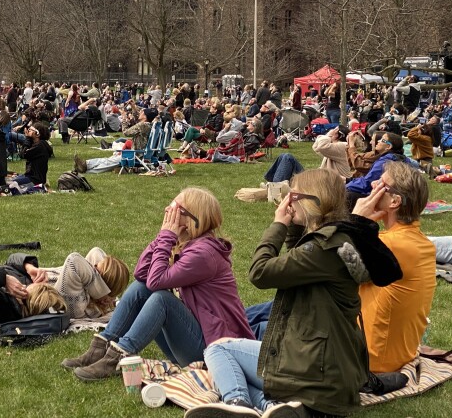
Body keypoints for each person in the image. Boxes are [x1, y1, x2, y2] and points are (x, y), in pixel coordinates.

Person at [189, 170, 401, 418]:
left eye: (293, 194)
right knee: (237, 351)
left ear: (311, 200)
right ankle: (267, 408)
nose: (287, 199)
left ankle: (238, 403)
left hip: (315, 372)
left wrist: (278, 225)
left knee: (218, 349)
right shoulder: (337, 240)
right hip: (328, 365)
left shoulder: (322, 249)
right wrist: (292, 226)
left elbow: (260, 273)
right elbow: (296, 259)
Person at [62, 187, 253, 380]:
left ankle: (116, 357)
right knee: (140, 289)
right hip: (200, 339)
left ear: (190, 219)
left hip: (214, 352)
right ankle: (100, 348)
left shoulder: (204, 254)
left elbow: (156, 281)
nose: (166, 210)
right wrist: (164, 237)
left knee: (162, 300)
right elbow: (142, 275)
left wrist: (166, 236)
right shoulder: (192, 245)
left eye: (173, 208)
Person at [353, 162, 435, 374]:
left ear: (394, 201)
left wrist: (356, 222)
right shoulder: (418, 241)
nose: (372, 184)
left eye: (381, 184)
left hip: (369, 358)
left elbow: (324, 262)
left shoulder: (391, 244)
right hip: (393, 353)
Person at [24, 247, 130, 319]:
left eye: (96, 271)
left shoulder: (80, 302)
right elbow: (96, 251)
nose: (91, 267)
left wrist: (105, 295)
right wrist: (29, 267)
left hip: (23, 291)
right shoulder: (85, 285)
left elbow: (74, 260)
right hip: (21, 276)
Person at [346, 132, 406, 207]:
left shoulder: (385, 161)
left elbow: (366, 184)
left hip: (386, 196)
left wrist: (346, 185)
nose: (377, 141)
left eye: (382, 140)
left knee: (346, 195)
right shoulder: (398, 158)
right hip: (395, 196)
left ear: (388, 146)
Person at [17, 122, 52, 186]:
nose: (28, 131)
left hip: (35, 179)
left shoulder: (40, 146)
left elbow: (23, 154)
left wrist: (27, 139)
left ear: (37, 134)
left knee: (9, 182)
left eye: (30, 130)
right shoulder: (38, 144)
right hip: (33, 177)